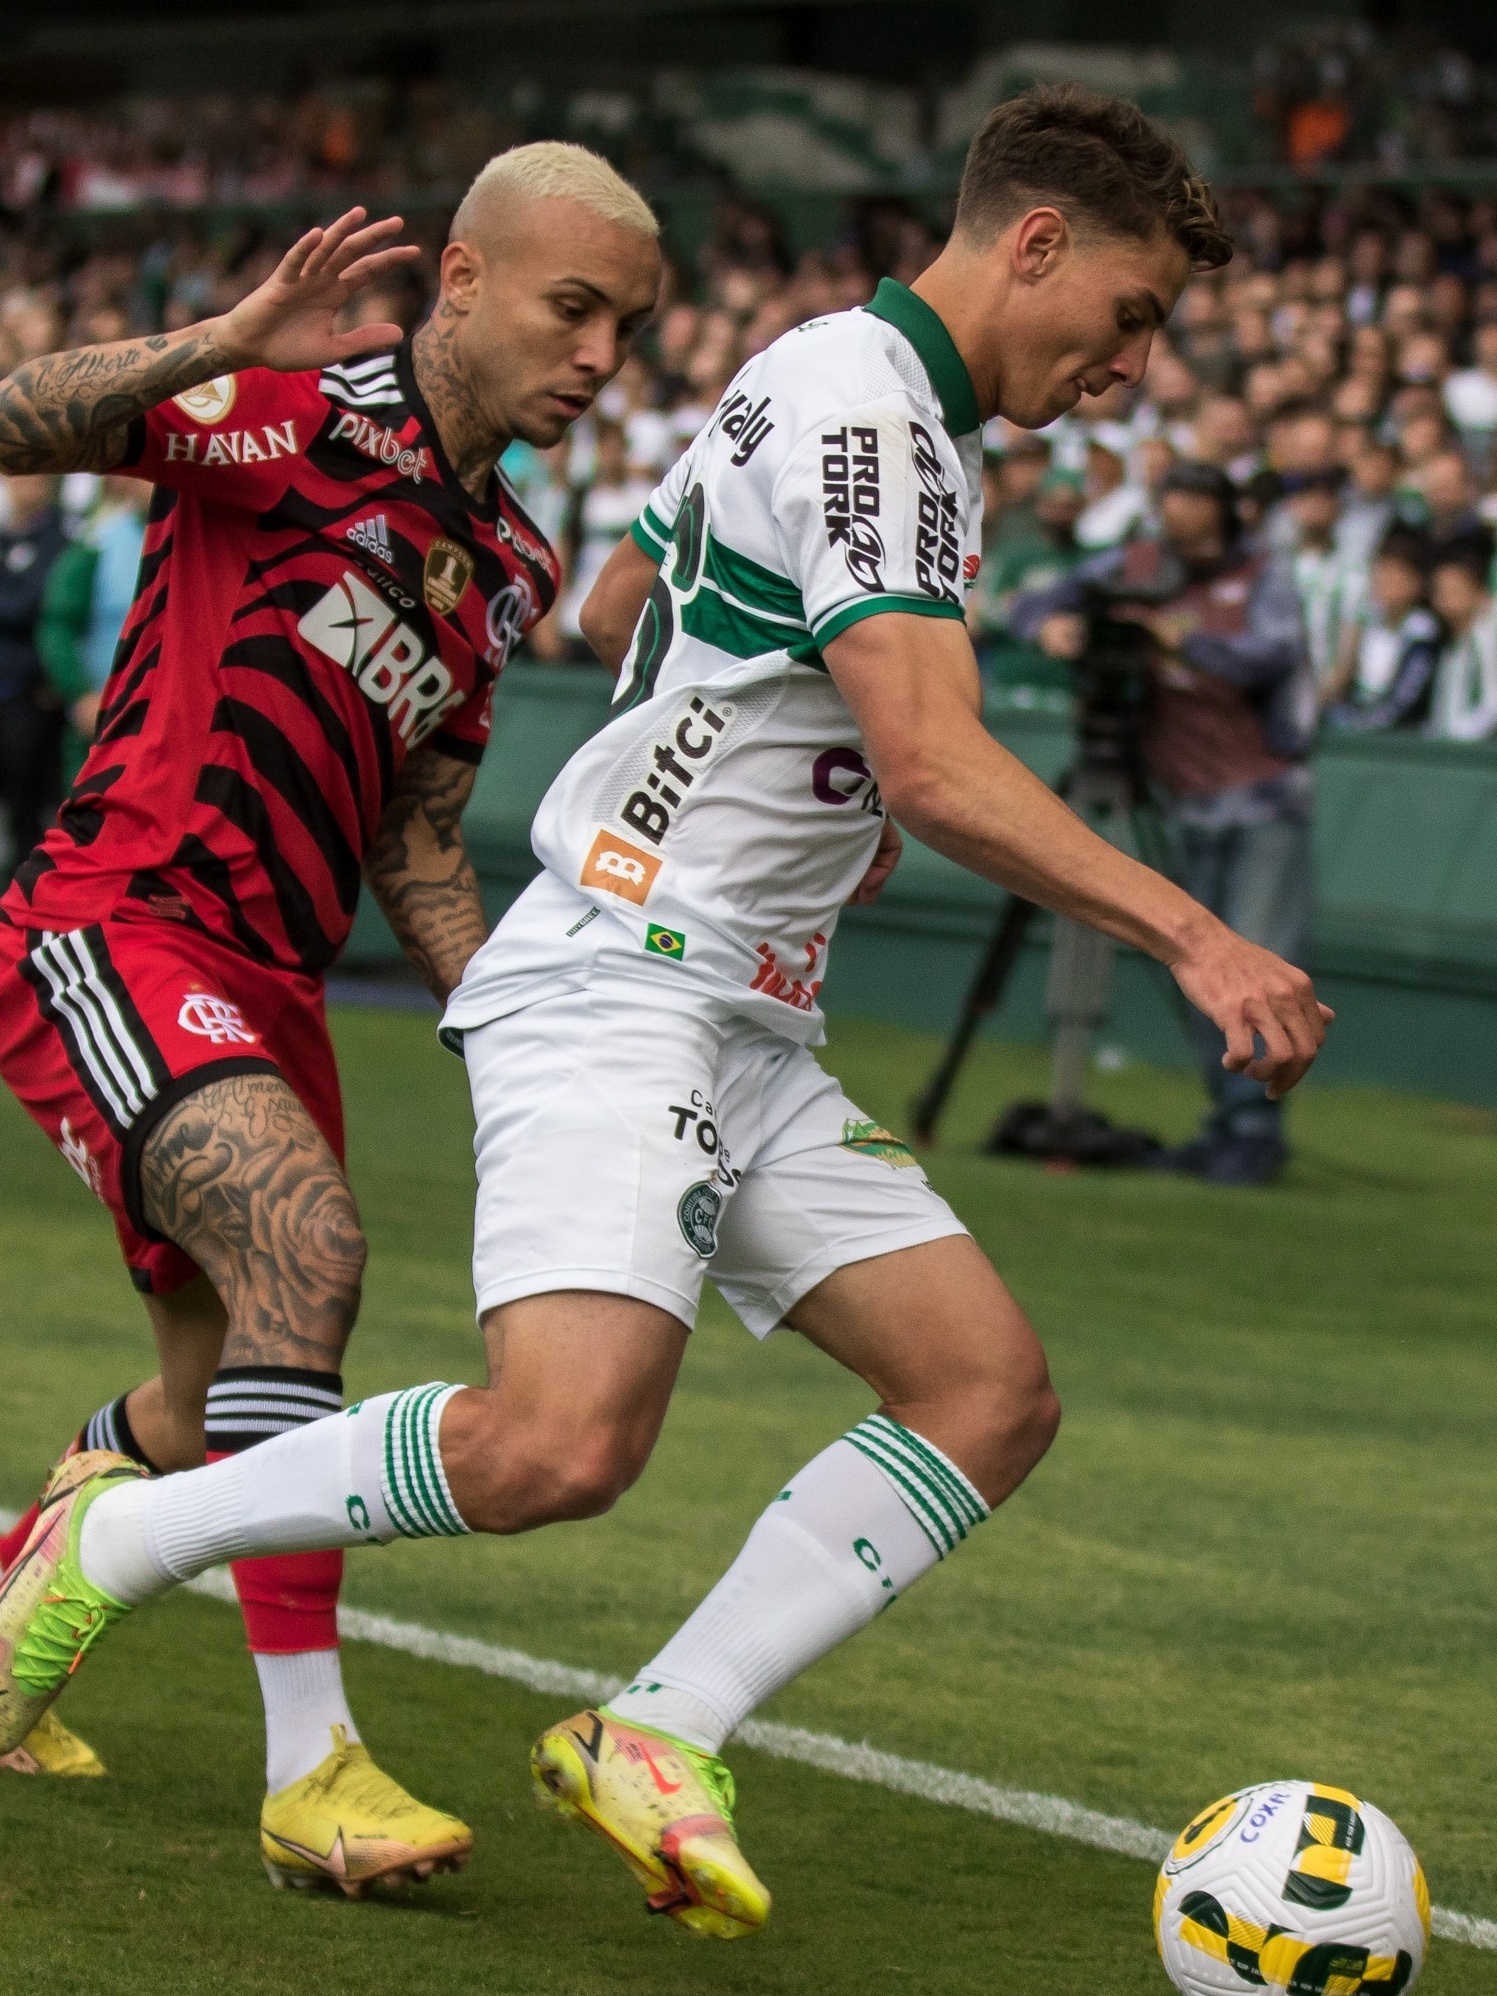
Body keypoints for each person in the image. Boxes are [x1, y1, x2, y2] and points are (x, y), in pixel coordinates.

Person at [0, 87, 1330, 1940]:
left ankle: (662, 1728)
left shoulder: (831, 403)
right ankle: (119, 1543)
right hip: (577, 970)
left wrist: (790, 787)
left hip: (729, 1007)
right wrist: (1200, 938)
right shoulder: (872, 406)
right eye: (1126, 314)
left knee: (984, 1392)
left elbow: (639, 594)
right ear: (1034, 242)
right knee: (547, 1440)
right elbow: (936, 761)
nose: (1125, 365)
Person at [0, 144, 659, 1887]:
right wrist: (215, 337)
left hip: (270, 984)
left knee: (205, 1403)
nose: (598, 353)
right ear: (460, 278)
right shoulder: (286, 412)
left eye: (628, 327)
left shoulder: (503, 556)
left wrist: (518, 1018)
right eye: (569, 305)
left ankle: (33, 1569)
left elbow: (415, 836)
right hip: (119, 923)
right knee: (307, 1244)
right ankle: (316, 1773)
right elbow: (15, 419)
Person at [1017, 461, 1316, 1186]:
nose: (1180, 539)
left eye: (1194, 523)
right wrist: (1048, 624)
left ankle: (1250, 1133)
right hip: (1183, 795)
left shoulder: (1260, 577)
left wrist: (1179, 641)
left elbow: (1273, 654)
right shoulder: (1140, 565)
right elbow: (1036, 598)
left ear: (1222, 518)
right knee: (1203, 968)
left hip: (1261, 797)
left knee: (1258, 965)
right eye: (1170, 520)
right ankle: (1224, 1126)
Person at [35, 476, 152, 785]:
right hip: (106, 719)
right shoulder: (99, 541)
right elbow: (57, 625)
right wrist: (81, 694)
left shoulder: (205, 540)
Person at [0, 473, 70, 884]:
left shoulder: (59, 537)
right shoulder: (8, 538)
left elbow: (33, 604)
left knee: (32, 808)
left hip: (31, 696)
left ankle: (27, 893)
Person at [1323, 529, 1441, 732]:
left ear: (1417, 583)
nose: (1384, 582)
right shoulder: (1366, 624)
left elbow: (1404, 702)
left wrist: (1359, 726)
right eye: (1382, 572)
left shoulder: (1423, 634)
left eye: (1395, 575)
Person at [1429, 534, 1497, 740]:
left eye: (1454, 591)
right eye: (1440, 591)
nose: (1444, 599)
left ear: (1479, 593)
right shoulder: (1447, 641)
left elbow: (1492, 704)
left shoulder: (1488, 638)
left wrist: (1456, 739)